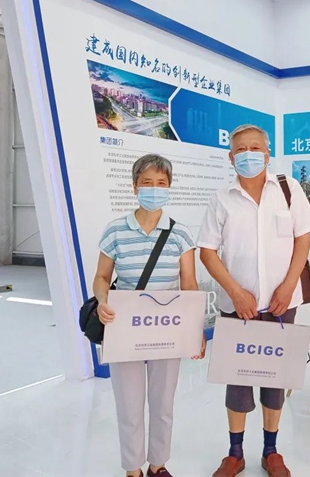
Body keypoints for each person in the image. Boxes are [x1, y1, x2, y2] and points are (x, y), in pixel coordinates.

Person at [198, 124, 310, 477]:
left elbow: (303, 241)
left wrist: (288, 286)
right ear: (230, 157)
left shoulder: (288, 189)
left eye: (255, 148)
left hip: (282, 304)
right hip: (238, 309)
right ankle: (235, 453)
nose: (248, 154)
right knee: (237, 380)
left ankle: (271, 450)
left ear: (267, 154)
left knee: (275, 378)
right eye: (241, 149)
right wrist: (235, 292)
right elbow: (207, 252)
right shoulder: (222, 198)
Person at [93, 154, 206, 477]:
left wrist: (195, 328)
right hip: (125, 327)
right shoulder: (115, 230)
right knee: (128, 405)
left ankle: (158, 465)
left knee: (163, 404)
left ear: (169, 187)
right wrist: (102, 300)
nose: (154, 189)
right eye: (147, 183)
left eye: (161, 183)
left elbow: (188, 284)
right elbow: (101, 277)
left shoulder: (180, 234)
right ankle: (133, 469)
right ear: (134, 187)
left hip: (167, 328)